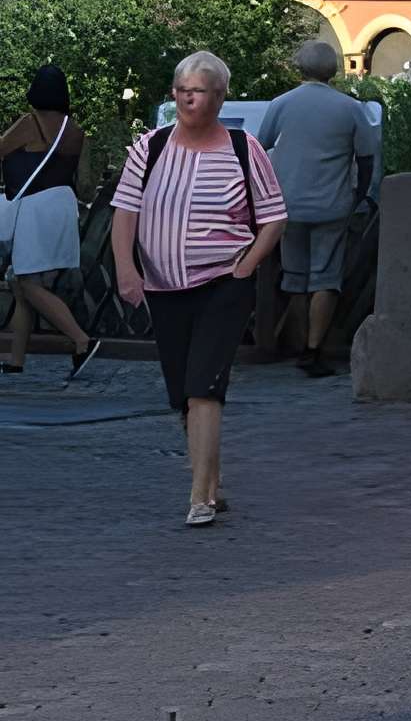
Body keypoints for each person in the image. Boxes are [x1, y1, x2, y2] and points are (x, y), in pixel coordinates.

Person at [112, 51, 284, 527]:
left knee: (203, 387)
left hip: (222, 285)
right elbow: (125, 212)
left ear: (220, 97)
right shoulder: (150, 148)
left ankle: (199, 496)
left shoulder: (245, 149)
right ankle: (212, 479)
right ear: (173, 95)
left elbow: (273, 218)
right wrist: (127, 270)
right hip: (164, 287)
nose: (191, 99)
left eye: (201, 91)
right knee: (180, 393)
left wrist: (246, 266)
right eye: (184, 90)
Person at [254, 37, 380, 377]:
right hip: (331, 205)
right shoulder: (350, 108)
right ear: (334, 70)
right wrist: (358, 195)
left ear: (299, 67)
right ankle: (313, 349)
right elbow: (366, 158)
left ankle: (295, 343)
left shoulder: (281, 104)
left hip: (288, 206)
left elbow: (260, 147)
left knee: (294, 275)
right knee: (325, 278)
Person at [0, 65, 96, 380]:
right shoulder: (76, 131)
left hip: (34, 208)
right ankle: (15, 360)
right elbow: (84, 182)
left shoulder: (30, 124)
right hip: (62, 204)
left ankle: (81, 340)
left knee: (27, 282)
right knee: (23, 285)